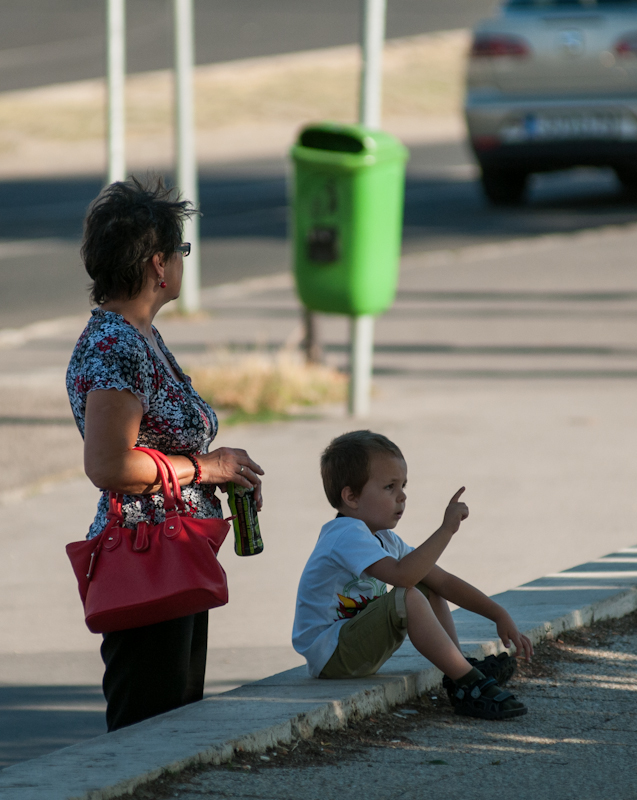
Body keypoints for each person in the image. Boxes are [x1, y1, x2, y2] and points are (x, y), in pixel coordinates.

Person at [66, 178, 265, 731]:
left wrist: (219, 474)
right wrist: (209, 468)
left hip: (175, 551)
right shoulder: (115, 344)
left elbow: (155, 447)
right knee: (148, 734)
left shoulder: (139, 334)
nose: (182, 262)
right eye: (181, 251)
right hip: (146, 557)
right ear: (158, 264)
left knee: (175, 728)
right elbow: (108, 465)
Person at [292, 430, 533, 719]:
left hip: (353, 646)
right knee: (409, 592)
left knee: (425, 582)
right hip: (331, 654)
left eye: (403, 485)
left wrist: (497, 613)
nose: (402, 496)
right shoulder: (345, 534)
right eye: (390, 487)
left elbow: (442, 580)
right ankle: (469, 684)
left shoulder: (383, 538)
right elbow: (404, 578)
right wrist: (446, 531)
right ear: (351, 496)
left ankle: (459, 669)